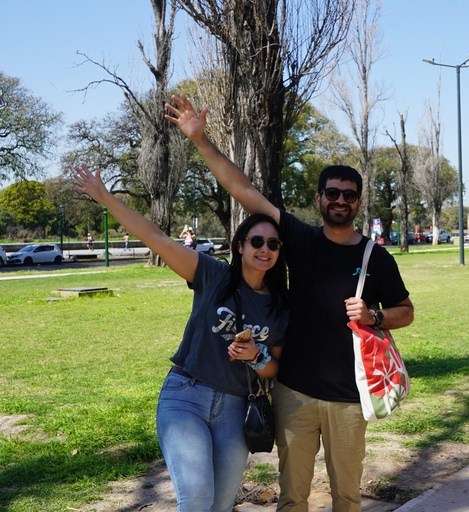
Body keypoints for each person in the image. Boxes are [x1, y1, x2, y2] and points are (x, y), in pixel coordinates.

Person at [165, 94, 414, 512]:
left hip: (349, 398)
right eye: (331, 193)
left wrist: (375, 315)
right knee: (293, 497)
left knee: (347, 498)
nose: (340, 200)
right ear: (319, 200)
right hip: (294, 393)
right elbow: (242, 189)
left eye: (348, 195)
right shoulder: (297, 239)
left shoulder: (376, 257)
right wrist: (200, 140)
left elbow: (406, 311)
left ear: (357, 202)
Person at [73, 164, 290, 512]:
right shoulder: (214, 275)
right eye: (257, 241)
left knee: (219, 506)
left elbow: (274, 368)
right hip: (186, 397)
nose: (265, 249)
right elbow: (156, 238)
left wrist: (256, 356)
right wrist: (105, 198)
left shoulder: (280, 305)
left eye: (274, 244)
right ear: (239, 246)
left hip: (235, 409)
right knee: (195, 500)